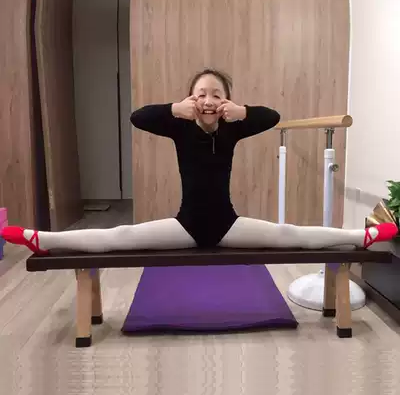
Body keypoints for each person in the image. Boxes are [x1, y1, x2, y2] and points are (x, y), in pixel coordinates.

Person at [1, 68, 398, 255]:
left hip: (228, 225)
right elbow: (138, 117)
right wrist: (173, 109)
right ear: (190, 100)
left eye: (216, 94)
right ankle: (43, 240)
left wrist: (243, 112)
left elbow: (272, 117)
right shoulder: (180, 128)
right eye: (200, 94)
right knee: (119, 236)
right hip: (186, 225)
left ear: (226, 101)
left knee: (290, 234)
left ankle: (360, 236)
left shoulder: (232, 129)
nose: (208, 100)